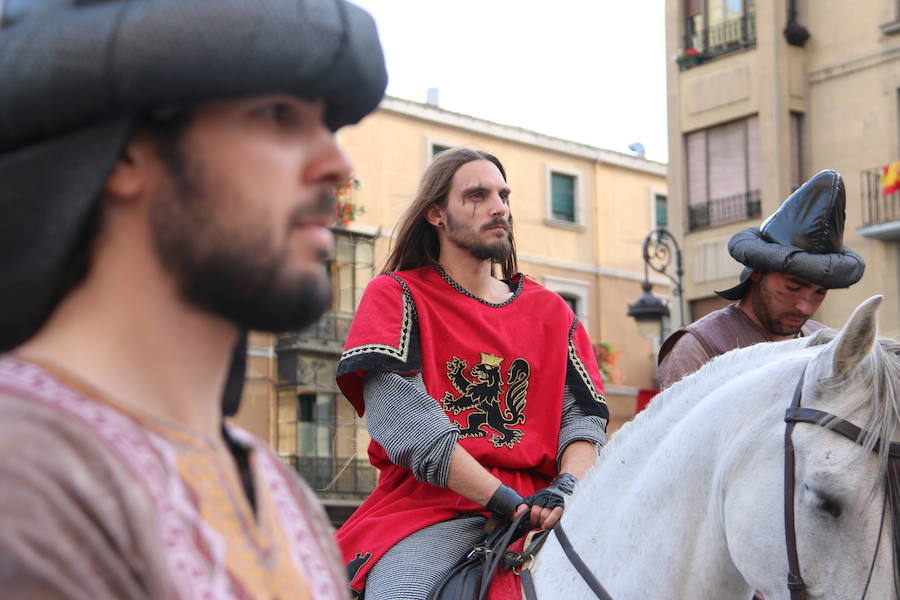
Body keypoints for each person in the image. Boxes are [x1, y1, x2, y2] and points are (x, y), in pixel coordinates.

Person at [0, 1, 386, 598]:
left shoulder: (283, 495)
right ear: (128, 151)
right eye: (278, 114)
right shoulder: (22, 477)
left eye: (328, 126)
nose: (338, 165)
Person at [333, 148, 609, 599]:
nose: (499, 206)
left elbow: (582, 420)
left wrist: (565, 489)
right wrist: (504, 501)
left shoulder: (553, 313)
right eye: (477, 196)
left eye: (503, 194)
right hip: (432, 507)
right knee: (400, 593)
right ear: (437, 213)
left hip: (546, 507)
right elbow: (410, 428)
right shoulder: (396, 295)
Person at [657, 169, 866, 389]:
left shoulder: (827, 346)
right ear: (758, 272)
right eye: (793, 287)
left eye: (819, 292)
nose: (805, 307)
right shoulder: (699, 348)